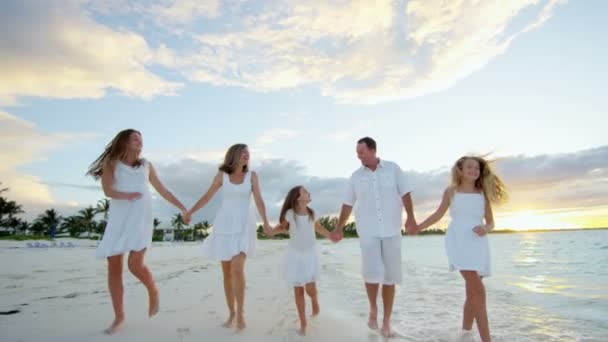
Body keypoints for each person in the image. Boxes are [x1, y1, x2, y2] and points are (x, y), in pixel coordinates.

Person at [87, 129, 188, 335]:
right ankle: (119, 317)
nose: (140, 142)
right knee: (114, 268)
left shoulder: (146, 165)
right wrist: (126, 195)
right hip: (119, 219)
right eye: (135, 138)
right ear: (124, 141)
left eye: (141, 139)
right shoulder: (111, 163)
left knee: (135, 265)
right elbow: (107, 191)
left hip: (140, 220)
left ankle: (153, 289)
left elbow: (163, 190)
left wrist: (182, 207)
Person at [412, 156, 507, 342]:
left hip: (478, 242)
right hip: (458, 241)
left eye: (477, 168)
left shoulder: (482, 193)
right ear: (460, 170)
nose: (474, 170)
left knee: (472, 292)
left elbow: (491, 222)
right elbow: (438, 214)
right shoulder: (451, 192)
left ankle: (465, 335)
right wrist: (418, 227)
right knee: (479, 291)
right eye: (469, 167)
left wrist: (485, 229)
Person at [330, 137, 416, 338]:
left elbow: (405, 194)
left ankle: (386, 320)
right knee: (371, 273)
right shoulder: (355, 177)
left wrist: (411, 217)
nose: (358, 156)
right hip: (368, 231)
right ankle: (373, 310)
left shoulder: (393, 169)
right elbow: (347, 204)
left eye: (361, 152)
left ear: (373, 150)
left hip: (392, 231)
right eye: (357, 153)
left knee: (390, 276)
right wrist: (338, 228)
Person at [185, 143, 271, 332]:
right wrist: (191, 211)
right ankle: (231, 312)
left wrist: (265, 222)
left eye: (248, 152)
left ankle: (240, 314)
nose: (247, 155)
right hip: (224, 226)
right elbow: (207, 197)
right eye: (243, 152)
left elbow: (259, 200)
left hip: (243, 226)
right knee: (226, 273)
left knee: (237, 269)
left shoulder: (252, 176)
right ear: (233, 155)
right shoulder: (222, 176)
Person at [264, 186, 333, 336]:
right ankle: (303, 322)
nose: (309, 192)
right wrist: (271, 231)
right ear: (298, 197)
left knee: (310, 289)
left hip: (310, 255)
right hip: (295, 256)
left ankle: (314, 299)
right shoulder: (290, 214)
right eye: (306, 191)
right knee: (298, 289)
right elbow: (282, 228)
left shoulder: (312, 213)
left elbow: (319, 228)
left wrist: (330, 235)